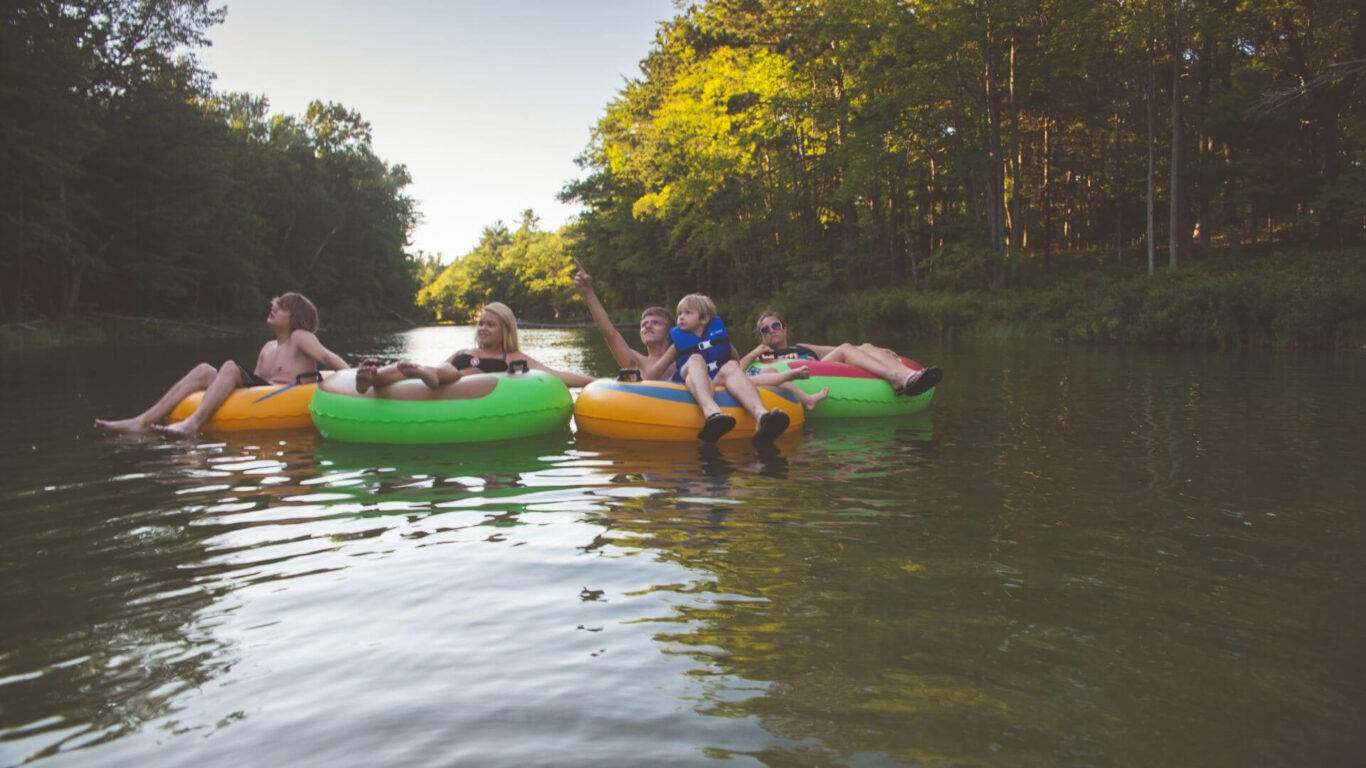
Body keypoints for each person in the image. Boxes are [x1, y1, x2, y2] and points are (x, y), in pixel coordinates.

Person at [572, 262, 827, 412]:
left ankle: (774, 406)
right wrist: (588, 293)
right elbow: (609, 332)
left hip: (716, 388)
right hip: (663, 413)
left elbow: (731, 360)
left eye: (655, 322)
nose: (647, 326)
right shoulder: (636, 362)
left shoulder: (690, 349)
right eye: (643, 324)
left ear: (674, 331)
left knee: (733, 370)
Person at [94, 292, 348, 436]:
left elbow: (328, 358)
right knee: (205, 369)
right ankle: (142, 421)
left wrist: (353, 378)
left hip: (291, 391)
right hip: (266, 391)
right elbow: (252, 387)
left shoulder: (300, 337)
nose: (273, 308)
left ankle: (192, 424)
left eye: (281, 308)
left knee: (228, 366)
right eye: (275, 304)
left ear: (296, 318)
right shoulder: (268, 347)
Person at [641, 293, 793, 443]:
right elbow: (652, 374)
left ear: (704, 319)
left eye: (687, 313)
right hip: (689, 383)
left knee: (732, 366)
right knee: (695, 359)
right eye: (679, 313)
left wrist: (731, 373)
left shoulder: (720, 341)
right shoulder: (677, 346)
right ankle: (712, 413)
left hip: (714, 383)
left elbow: (736, 361)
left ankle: (762, 416)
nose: (680, 317)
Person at [354, 301, 595, 392]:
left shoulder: (510, 356)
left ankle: (425, 373)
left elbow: (557, 375)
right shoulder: (464, 352)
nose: (483, 328)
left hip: (457, 380)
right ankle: (370, 378)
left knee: (448, 373)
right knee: (409, 368)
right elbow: (444, 364)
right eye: (480, 324)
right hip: (442, 372)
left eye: (491, 324)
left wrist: (594, 381)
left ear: (506, 330)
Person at [740, 310, 943, 396]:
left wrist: (875, 349)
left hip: (823, 366)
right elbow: (737, 372)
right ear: (762, 337)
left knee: (864, 346)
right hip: (807, 375)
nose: (771, 330)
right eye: (764, 330)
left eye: (775, 325)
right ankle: (898, 378)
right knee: (846, 347)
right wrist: (752, 354)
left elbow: (844, 350)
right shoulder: (763, 356)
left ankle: (907, 376)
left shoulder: (801, 346)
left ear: (784, 329)